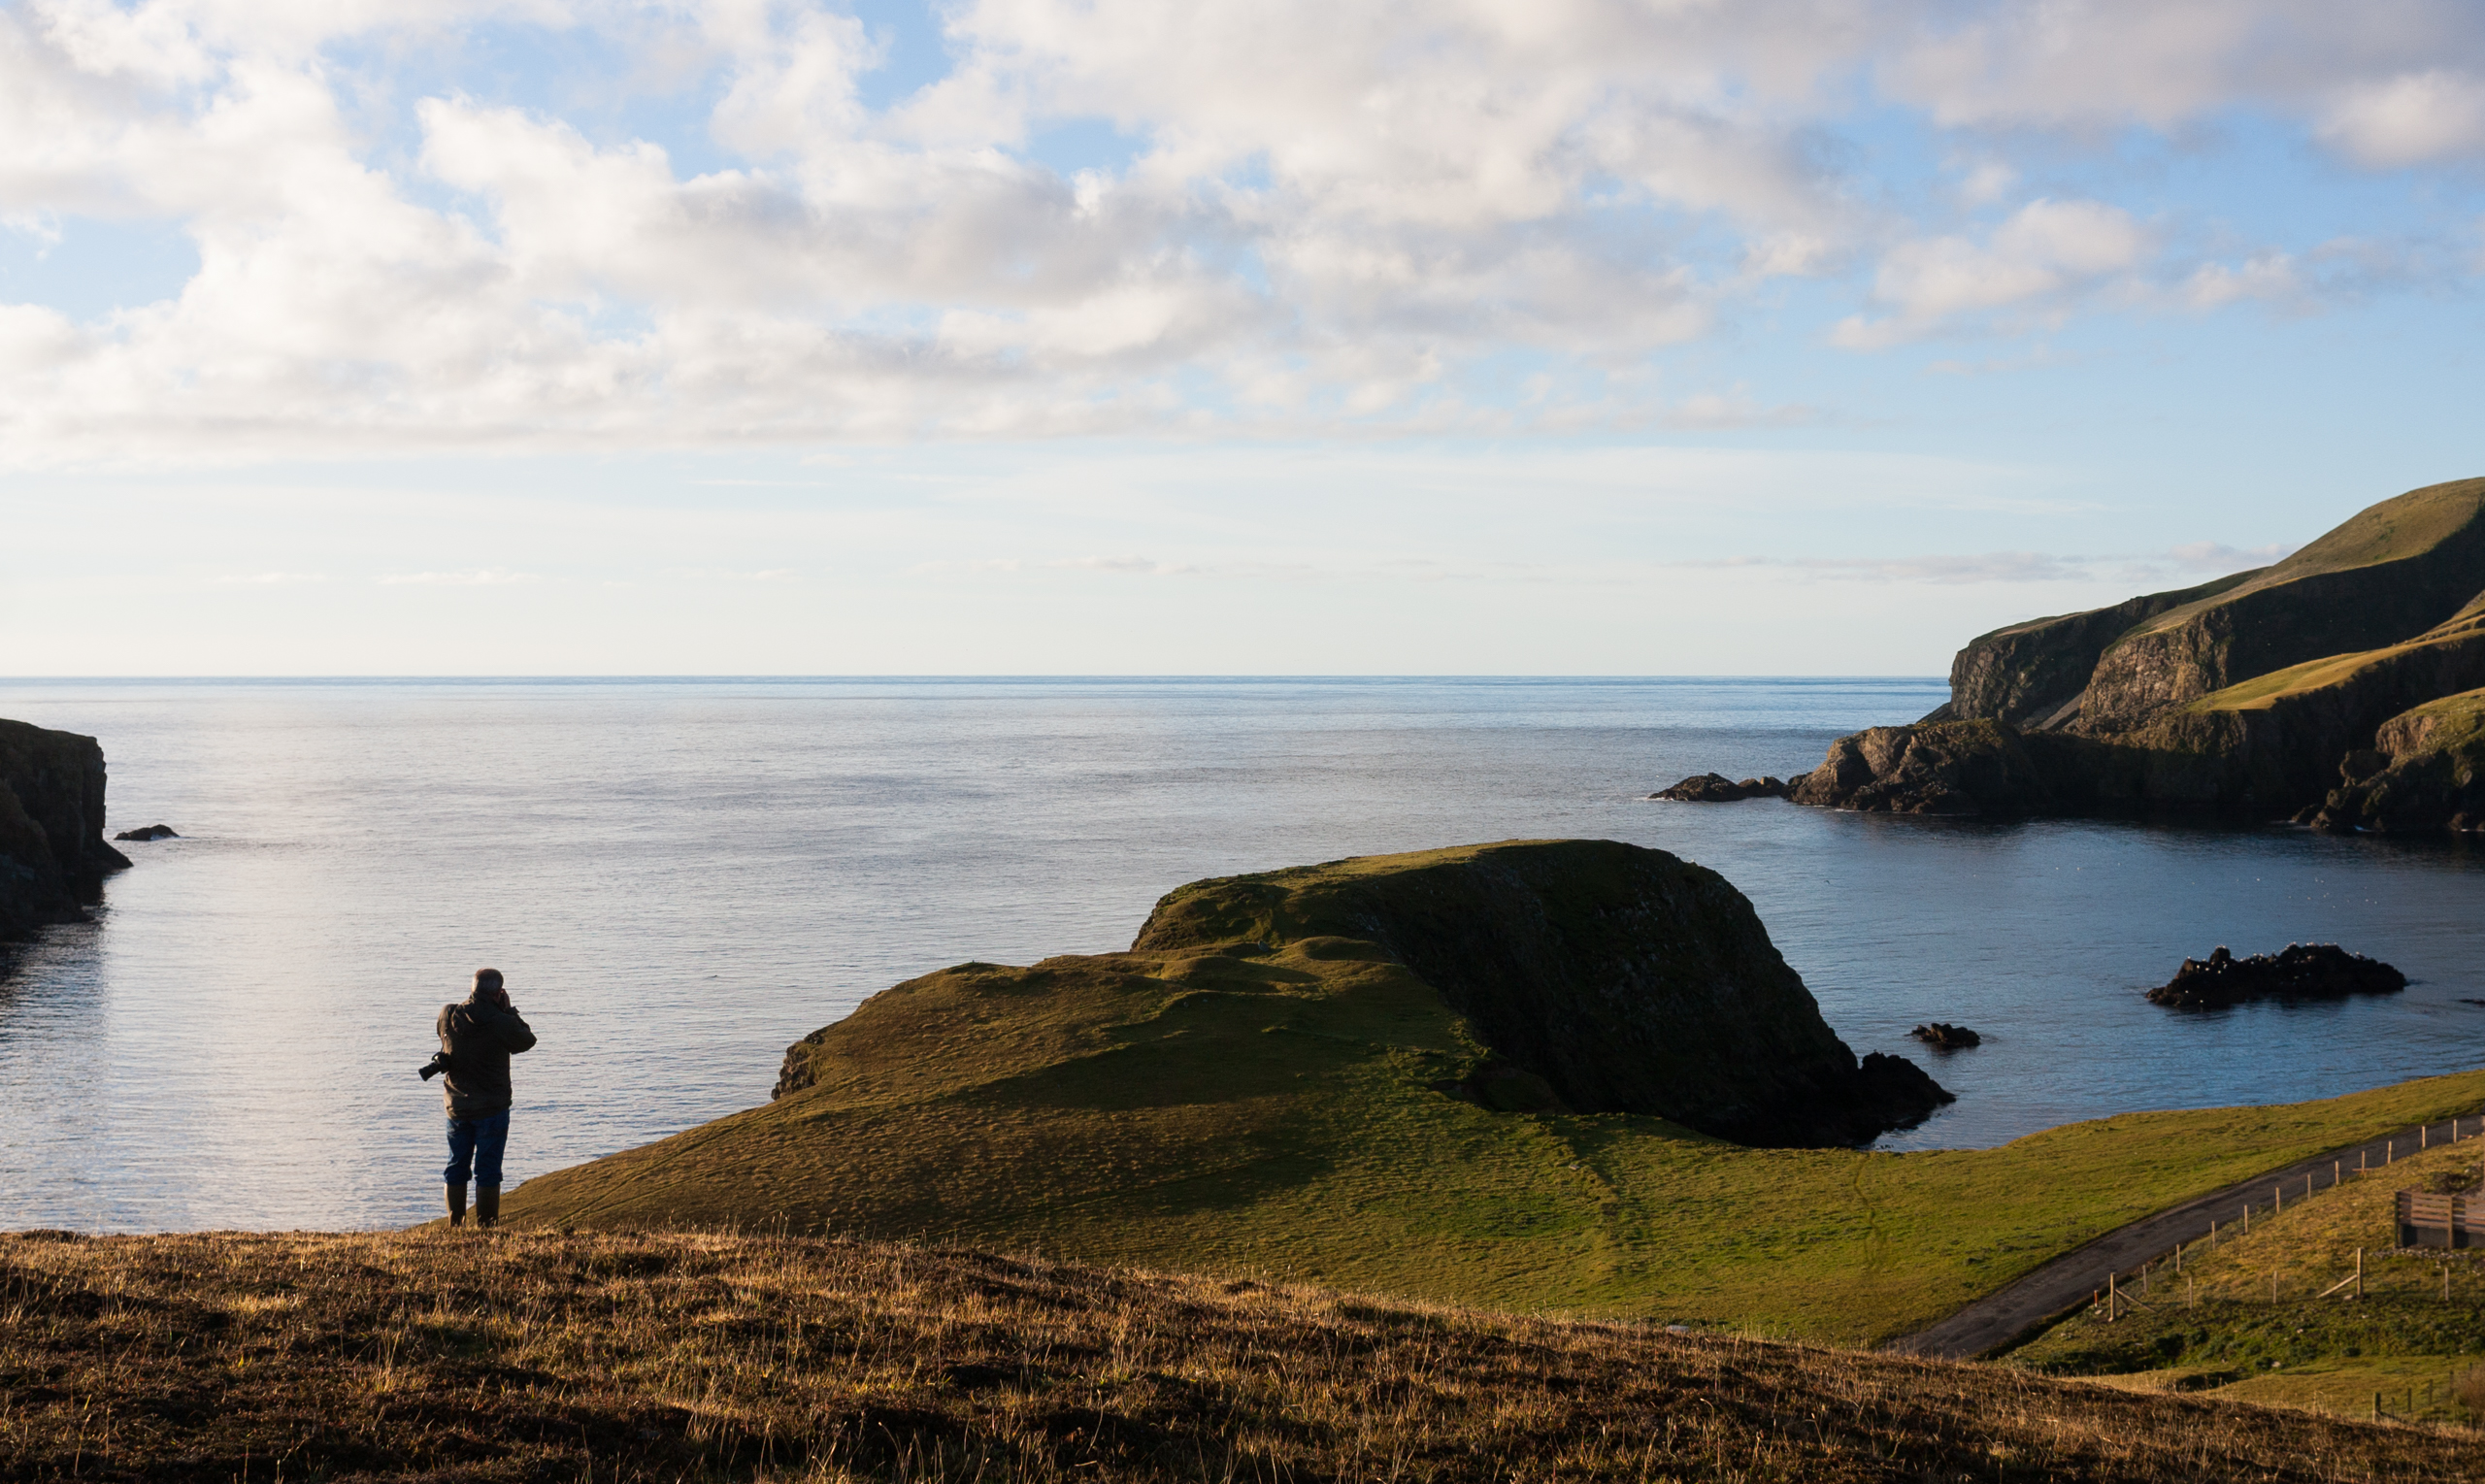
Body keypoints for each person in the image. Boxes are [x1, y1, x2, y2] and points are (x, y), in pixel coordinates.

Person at [436, 967, 537, 1228]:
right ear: (498, 993)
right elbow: (527, 1040)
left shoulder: (448, 1014)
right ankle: (486, 1228)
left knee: (456, 1166)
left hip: (457, 1107)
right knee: (488, 1170)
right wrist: (509, 1011)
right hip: (492, 1108)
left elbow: (444, 1038)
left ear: (472, 988)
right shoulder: (500, 1021)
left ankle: (455, 1225)